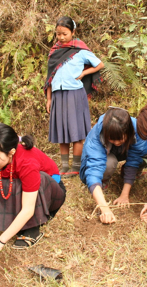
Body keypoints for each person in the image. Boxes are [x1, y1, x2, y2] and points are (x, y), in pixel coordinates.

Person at [0, 124, 66, 262]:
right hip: (20, 185)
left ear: (11, 152)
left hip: (49, 192)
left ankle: (33, 227)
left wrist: (0, 242)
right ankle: (16, 221)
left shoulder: (27, 163)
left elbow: (28, 209)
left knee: (35, 181)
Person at [44, 16, 104, 178]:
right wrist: (49, 99)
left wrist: (84, 73)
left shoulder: (80, 51)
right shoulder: (54, 52)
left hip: (75, 95)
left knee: (76, 131)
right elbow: (50, 77)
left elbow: (99, 64)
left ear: (73, 32)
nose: (61, 37)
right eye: (58, 34)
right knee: (62, 131)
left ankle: (76, 167)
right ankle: (64, 166)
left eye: (65, 34)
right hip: (58, 95)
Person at [80, 107, 147, 224]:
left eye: (120, 140)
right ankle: (103, 181)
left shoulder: (138, 129)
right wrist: (104, 208)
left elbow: (134, 160)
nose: (117, 143)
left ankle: (128, 175)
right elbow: (93, 169)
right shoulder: (97, 133)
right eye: (113, 140)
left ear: (128, 132)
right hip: (109, 154)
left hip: (126, 150)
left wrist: (124, 194)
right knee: (109, 163)